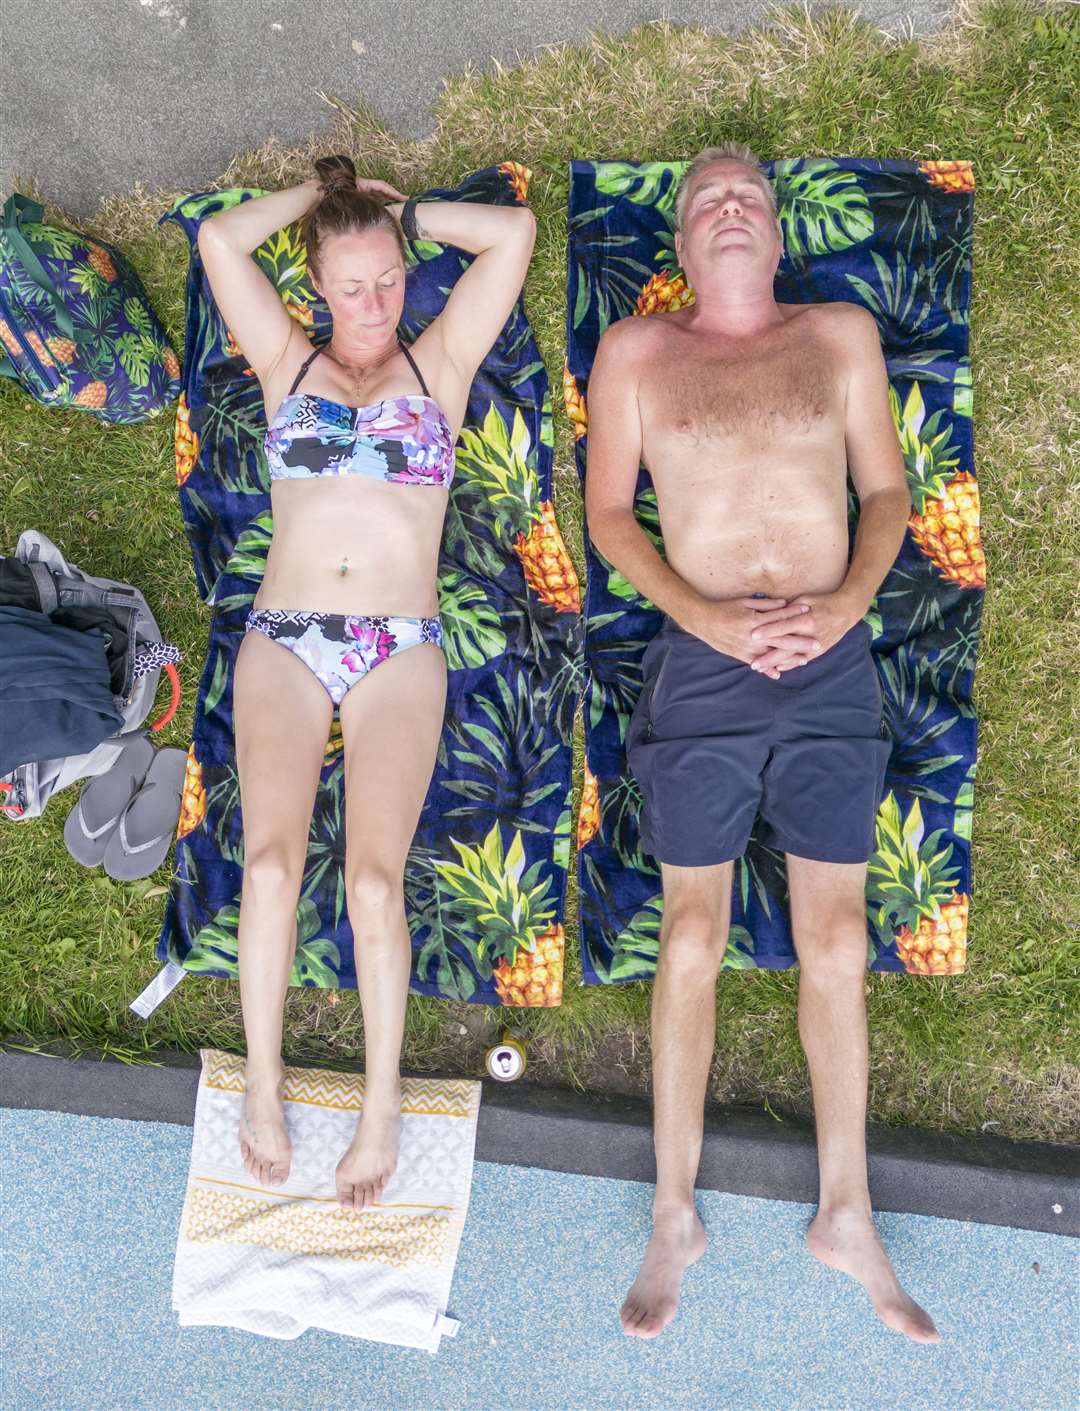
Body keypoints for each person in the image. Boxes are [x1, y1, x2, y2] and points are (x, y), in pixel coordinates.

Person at [585, 143, 938, 1343]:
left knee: (835, 942)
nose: (728, 208)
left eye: (749, 197)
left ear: (775, 234)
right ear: (680, 245)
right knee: (691, 934)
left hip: (834, 663)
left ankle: (849, 1212)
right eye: (703, 201)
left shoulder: (837, 335)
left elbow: (886, 496)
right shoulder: (640, 353)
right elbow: (606, 519)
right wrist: (704, 617)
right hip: (701, 665)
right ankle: (673, 1214)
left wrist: (844, 608)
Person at [198, 154, 535, 1209]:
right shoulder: (284, 364)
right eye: (350, 284)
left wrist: (404, 210)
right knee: (266, 868)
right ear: (316, 286)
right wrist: (320, 203)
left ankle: (380, 1102)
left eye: (388, 276)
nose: (375, 301)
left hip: (399, 643)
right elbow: (217, 243)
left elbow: (512, 240)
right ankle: (264, 1082)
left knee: (375, 884)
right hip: (287, 638)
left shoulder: (439, 367)